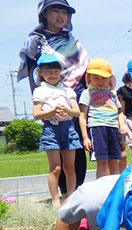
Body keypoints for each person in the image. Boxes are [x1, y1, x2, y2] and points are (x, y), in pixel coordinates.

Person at [18, 0, 89, 200]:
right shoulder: (35, 41)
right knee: (56, 154)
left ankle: (77, 193)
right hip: (50, 102)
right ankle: (63, 194)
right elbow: (33, 73)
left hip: (74, 98)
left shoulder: (73, 41)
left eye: (64, 12)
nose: (60, 16)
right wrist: (39, 103)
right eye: (55, 11)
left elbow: (84, 68)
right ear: (44, 14)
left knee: (75, 149)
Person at [31, 53, 81, 208]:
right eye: (48, 71)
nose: (52, 75)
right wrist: (51, 112)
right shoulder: (39, 91)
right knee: (55, 168)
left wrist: (66, 109)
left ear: (60, 72)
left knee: (69, 167)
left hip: (68, 128)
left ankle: (70, 196)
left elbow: (77, 112)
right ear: (40, 72)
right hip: (50, 129)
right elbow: (36, 114)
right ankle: (55, 200)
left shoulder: (68, 91)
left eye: (55, 71)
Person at [78, 58, 125, 178]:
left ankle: (114, 188)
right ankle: (102, 190)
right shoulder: (87, 93)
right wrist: (85, 137)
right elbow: (82, 115)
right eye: (96, 78)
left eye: (104, 78)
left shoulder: (112, 94)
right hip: (97, 128)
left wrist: (122, 128)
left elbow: (119, 112)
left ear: (110, 78)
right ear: (89, 78)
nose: (100, 81)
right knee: (102, 161)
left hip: (113, 129)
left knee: (114, 160)